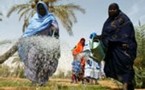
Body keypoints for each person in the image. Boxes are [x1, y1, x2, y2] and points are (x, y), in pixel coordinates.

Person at [18, 1, 59, 86]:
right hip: (34, 44)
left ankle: (42, 82)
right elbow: (29, 30)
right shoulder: (34, 18)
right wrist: (24, 39)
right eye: (39, 8)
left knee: (44, 63)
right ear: (37, 9)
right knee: (32, 61)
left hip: (45, 44)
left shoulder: (50, 18)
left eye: (42, 8)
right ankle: (33, 81)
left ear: (45, 9)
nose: (41, 10)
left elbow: (56, 29)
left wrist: (55, 32)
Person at [99, 3, 137, 90]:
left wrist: (123, 41)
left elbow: (128, 32)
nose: (111, 11)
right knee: (117, 69)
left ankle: (126, 86)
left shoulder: (124, 19)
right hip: (114, 51)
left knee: (127, 68)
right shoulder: (108, 22)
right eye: (110, 9)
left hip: (125, 49)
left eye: (114, 9)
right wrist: (100, 37)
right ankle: (128, 85)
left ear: (118, 9)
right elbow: (106, 35)